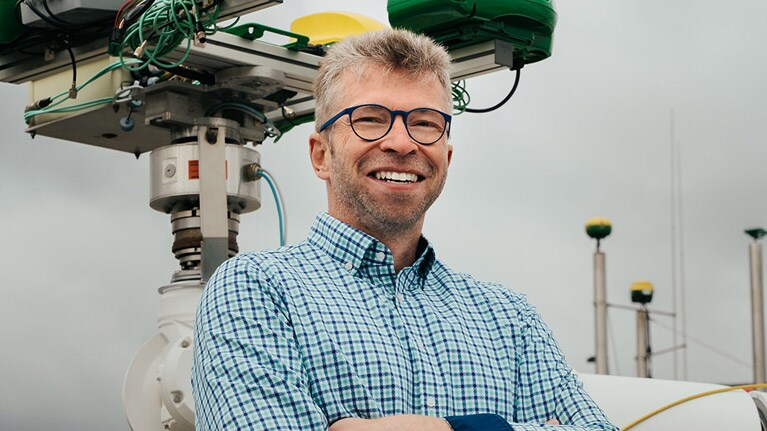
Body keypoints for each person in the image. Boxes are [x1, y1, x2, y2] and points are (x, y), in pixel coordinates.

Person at [192, 28, 618, 431]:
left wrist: (450, 429)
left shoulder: (509, 319)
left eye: (426, 122)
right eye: (371, 119)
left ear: (446, 156)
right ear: (321, 155)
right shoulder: (256, 290)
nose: (402, 143)